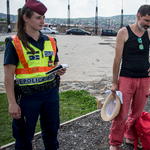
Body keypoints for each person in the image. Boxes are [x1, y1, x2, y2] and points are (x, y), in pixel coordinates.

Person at [4, 0, 66, 149]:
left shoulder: (51, 40)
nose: (42, 21)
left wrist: (59, 70)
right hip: (27, 97)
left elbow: (53, 65)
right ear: (25, 17)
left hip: (50, 94)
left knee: (52, 134)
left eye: (43, 17)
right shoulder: (14, 43)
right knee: (24, 138)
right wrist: (12, 103)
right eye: (38, 17)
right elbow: (7, 77)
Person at [109, 5, 150, 150]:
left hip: (145, 79)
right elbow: (117, 59)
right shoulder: (124, 32)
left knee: (137, 113)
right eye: (146, 20)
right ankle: (114, 142)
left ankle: (130, 137)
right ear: (139, 16)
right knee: (121, 113)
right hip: (126, 78)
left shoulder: (149, 33)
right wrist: (114, 83)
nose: (148, 24)